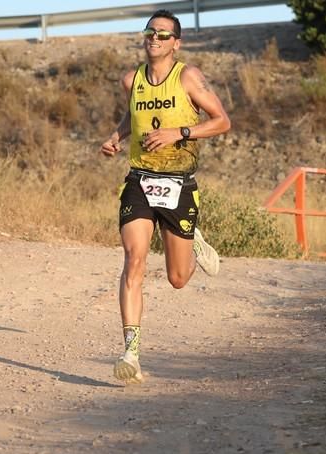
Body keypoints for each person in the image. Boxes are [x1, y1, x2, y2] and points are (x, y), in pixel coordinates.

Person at [100, 9, 231, 384]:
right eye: (149, 32)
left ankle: (194, 242)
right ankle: (131, 352)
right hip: (140, 180)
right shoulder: (132, 80)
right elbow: (133, 117)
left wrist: (180, 133)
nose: (154, 39)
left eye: (162, 35)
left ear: (176, 42)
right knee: (134, 260)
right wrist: (116, 137)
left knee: (177, 278)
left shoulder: (188, 77)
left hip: (179, 182)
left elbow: (222, 121)